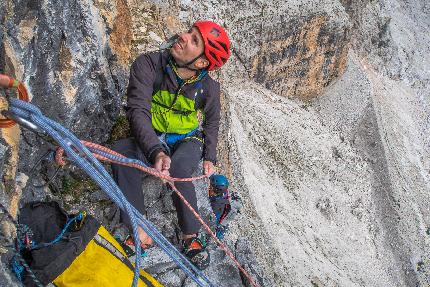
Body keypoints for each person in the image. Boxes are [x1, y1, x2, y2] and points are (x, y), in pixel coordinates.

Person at [111, 20, 230, 270]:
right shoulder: (149, 64)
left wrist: (209, 156)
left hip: (187, 139)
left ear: (201, 63)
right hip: (153, 135)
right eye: (189, 32)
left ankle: (190, 236)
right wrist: (155, 150)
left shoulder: (208, 87)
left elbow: (212, 120)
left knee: (178, 169)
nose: (184, 37)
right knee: (121, 152)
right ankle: (140, 230)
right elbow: (137, 110)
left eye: (194, 40)